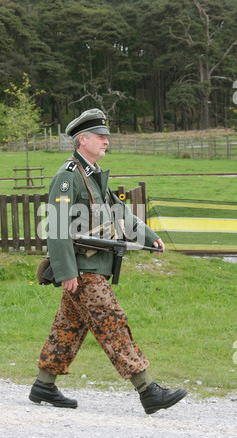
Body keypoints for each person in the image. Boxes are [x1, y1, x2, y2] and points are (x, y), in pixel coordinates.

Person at [29, 109, 187, 414]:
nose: (107, 141)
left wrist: (148, 236)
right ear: (82, 139)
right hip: (82, 270)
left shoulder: (93, 175)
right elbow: (58, 227)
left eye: (106, 137)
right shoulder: (68, 177)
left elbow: (120, 215)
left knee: (68, 328)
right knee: (112, 323)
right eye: (101, 137)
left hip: (91, 268)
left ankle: (44, 385)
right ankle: (147, 389)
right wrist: (65, 271)